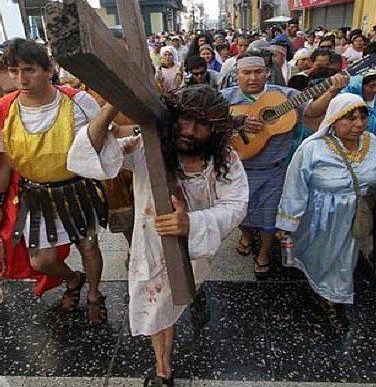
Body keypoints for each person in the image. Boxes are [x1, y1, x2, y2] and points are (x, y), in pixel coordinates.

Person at [68, 85, 249, 386]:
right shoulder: (147, 145)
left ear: (215, 130)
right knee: (155, 308)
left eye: (201, 124)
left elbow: (235, 205)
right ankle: (162, 367)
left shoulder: (225, 160)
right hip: (149, 247)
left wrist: (190, 223)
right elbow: (93, 154)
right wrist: (113, 105)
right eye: (184, 120)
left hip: (195, 249)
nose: (189, 130)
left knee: (177, 299)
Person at [0, 39, 109, 323]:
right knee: (42, 260)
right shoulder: (5, 110)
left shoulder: (77, 101)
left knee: (88, 246)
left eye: (29, 70)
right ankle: (72, 279)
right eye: (14, 71)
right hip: (36, 196)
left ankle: (93, 294)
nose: (21, 79)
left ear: (49, 69)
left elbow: (106, 136)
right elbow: (4, 163)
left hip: (78, 191)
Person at [221, 51, 346, 276]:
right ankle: (247, 235)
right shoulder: (224, 99)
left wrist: (332, 90)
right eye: (246, 72)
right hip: (236, 169)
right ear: (236, 75)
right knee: (239, 211)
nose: (252, 78)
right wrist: (236, 121)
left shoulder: (286, 96)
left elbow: (313, 111)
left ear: (267, 73)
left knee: (270, 216)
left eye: (258, 72)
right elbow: (204, 121)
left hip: (274, 170)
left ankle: (264, 253)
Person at [277, 93, 376, 322]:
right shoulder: (312, 149)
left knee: (345, 255)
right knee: (320, 252)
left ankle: (332, 293)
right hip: (320, 214)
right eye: (349, 118)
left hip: (355, 213)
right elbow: (295, 185)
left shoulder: (375, 145)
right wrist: (288, 222)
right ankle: (320, 283)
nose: (359, 124)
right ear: (333, 119)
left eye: (363, 117)